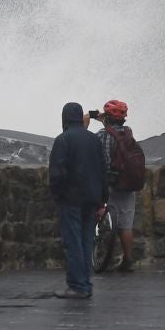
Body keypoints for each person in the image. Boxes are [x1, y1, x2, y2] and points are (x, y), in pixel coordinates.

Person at [48, 101, 107, 299]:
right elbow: (102, 171)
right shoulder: (93, 140)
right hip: (92, 199)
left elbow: (57, 173)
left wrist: (57, 195)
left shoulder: (63, 140)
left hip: (71, 200)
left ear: (65, 118)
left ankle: (77, 286)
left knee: (73, 242)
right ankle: (85, 284)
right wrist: (102, 200)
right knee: (86, 241)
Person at [93, 99, 141, 273]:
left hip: (108, 185)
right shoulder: (128, 133)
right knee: (125, 225)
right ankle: (128, 261)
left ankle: (102, 257)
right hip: (128, 184)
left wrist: (95, 117)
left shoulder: (101, 135)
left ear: (107, 117)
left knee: (103, 222)